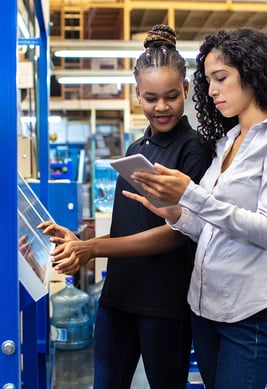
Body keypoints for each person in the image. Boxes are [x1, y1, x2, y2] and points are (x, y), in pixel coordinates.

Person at [121, 27, 267, 389]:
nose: (211, 91)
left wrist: (190, 194)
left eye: (220, 78)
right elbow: (207, 225)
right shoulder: (227, 142)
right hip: (204, 307)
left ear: (251, 75)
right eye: (207, 81)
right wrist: (173, 212)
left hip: (248, 311)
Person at [38, 24, 211, 389]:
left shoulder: (194, 150)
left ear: (185, 90)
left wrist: (92, 248)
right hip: (117, 297)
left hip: (163, 304)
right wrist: (78, 238)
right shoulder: (136, 150)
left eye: (170, 96)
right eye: (150, 98)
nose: (161, 107)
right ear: (137, 94)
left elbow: (175, 235)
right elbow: (128, 223)